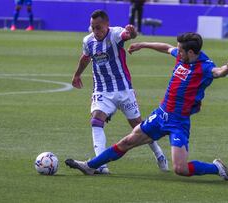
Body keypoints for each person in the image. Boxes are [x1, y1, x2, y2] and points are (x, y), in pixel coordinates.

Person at [65, 32, 228, 181]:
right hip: (161, 115)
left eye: (180, 50)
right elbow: (165, 47)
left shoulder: (205, 67)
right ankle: (90, 166)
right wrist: (142, 44)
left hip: (178, 122)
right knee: (127, 142)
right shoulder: (182, 55)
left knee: (181, 169)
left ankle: (217, 168)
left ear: (191, 52)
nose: (177, 52)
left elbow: (219, 72)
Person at [70, 10, 168, 174]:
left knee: (140, 128)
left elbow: (128, 35)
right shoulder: (88, 41)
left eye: (99, 28)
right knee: (96, 121)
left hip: (124, 91)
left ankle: (159, 154)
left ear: (107, 25)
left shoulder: (115, 34)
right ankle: (100, 164)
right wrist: (77, 74)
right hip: (102, 91)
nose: (96, 31)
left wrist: (132, 32)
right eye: (93, 28)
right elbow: (85, 57)